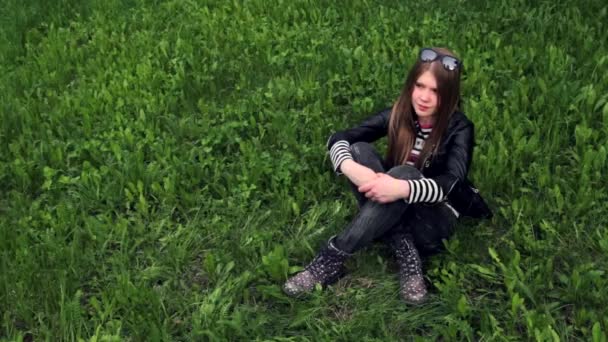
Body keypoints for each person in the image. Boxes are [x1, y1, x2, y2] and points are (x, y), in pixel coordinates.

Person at [283, 47, 492, 304]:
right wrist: (350, 167)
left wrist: (402, 189)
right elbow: (339, 138)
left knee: (404, 173)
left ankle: (333, 256)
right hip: (394, 200)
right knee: (359, 150)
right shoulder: (398, 114)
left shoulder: (460, 127)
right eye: (420, 86)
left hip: (434, 219)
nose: (424, 97)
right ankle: (405, 249)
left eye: (436, 91)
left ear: (449, 95)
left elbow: (452, 183)